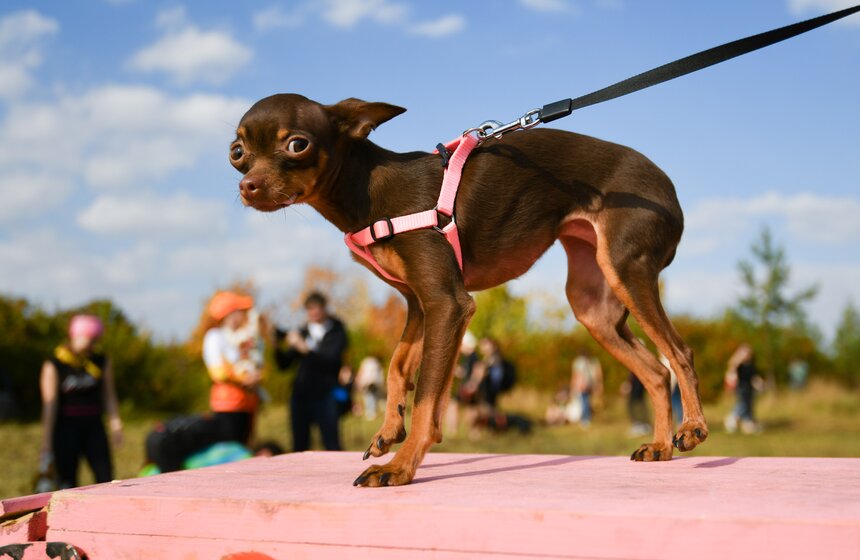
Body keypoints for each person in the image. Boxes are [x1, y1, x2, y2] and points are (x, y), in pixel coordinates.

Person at [38, 314, 123, 489]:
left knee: (105, 478)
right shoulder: (54, 364)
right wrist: (46, 443)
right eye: (90, 339)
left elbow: (109, 394)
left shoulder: (100, 362)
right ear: (75, 335)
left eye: (96, 340)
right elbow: (50, 404)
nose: (93, 344)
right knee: (67, 482)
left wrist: (116, 423)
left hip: (94, 426)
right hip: (65, 428)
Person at [275, 292, 348, 452]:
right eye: (309, 309)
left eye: (316, 308)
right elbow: (284, 365)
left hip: (326, 395)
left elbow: (331, 360)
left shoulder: (337, 331)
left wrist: (305, 349)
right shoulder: (302, 331)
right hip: (301, 396)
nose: (313, 313)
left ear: (324, 309)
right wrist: (276, 345)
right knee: (299, 446)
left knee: (331, 444)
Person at [202, 291, 263, 446]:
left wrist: (258, 376)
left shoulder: (244, 337)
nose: (243, 315)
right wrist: (245, 378)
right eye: (239, 312)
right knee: (231, 452)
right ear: (229, 314)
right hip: (228, 405)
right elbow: (218, 373)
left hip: (247, 404)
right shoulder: (215, 336)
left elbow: (256, 364)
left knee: (245, 449)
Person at [724, 343, 764, 434]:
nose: (748, 355)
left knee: (749, 407)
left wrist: (760, 384)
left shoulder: (751, 365)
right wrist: (739, 356)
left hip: (750, 389)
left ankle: (748, 424)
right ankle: (732, 419)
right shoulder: (739, 365)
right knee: (742, 405)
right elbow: (731, 366)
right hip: (741, 388)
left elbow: (754, 377)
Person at [571, 351, 603, 428]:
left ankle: (585, 419)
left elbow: (577, 374)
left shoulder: (580, 362)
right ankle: (585, 418)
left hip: (583, 385)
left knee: (584, 401)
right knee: (585, 401)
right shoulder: (592, 361)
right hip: (586, 384)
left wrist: (575, 385)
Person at [354, 355, 385, 420]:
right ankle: (373, 411)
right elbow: (380, 373)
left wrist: (359, 380)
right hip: (375, 382)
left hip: (367, 382)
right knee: (373, 396)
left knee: (368, 396)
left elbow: (361, 371)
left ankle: (371, 413)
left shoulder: (366, 361)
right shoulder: (376, 362)